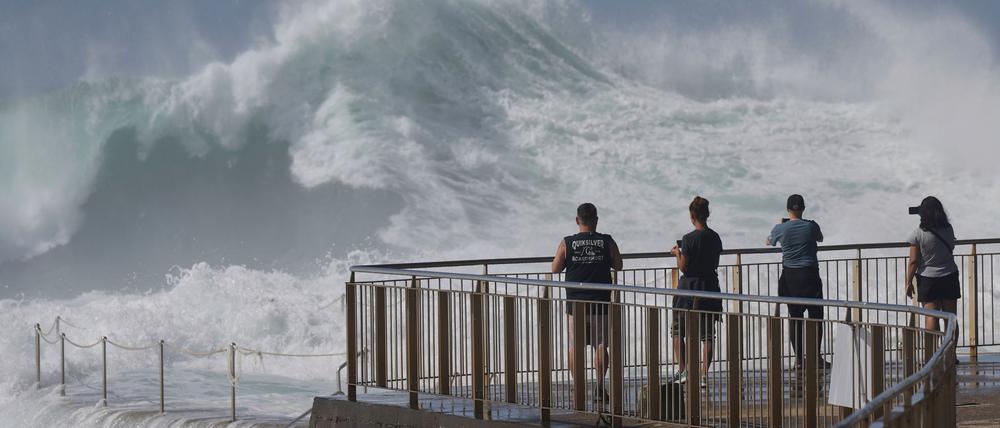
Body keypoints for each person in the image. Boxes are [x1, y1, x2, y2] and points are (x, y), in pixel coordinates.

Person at [551, 202, 623, 403]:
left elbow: (555, 268)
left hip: (575, 302)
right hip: (600, 301)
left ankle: (579, 386)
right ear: (596, 220)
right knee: (600, 345)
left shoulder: (567, 243)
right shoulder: (607, 241)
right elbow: (619, 265)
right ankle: (599, 387)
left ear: (577, 220)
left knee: (575, 346)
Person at [766, 194, 827, 368]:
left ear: (787, 210)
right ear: (803, 209)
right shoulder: (811, 226)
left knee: (795, 318)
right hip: (810, 276)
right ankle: (816, 357)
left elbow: (769, 242)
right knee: (816, 317)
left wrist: (781, 227)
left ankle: (799, 359)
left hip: (790, 278)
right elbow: (820, 238)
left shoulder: (780, 228)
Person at [669, 196, 723, 388]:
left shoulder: (688, 238)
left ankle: (684, 371)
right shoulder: (715, 237)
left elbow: (684, 267)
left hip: (689, 288)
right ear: (707, 214)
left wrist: (677, 253)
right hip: (710, 286)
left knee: (678, 330)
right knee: (707, 335)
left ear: (692, 216)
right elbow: (715, 262)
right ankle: (703, 375)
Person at [905, 196, 960, 332]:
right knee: (951, 318)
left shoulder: (918, 234)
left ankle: (933, 345)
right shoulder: (948, 229)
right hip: (949, 275)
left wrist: (908, 282)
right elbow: (951, 247)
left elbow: (913, 261)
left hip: (927, 279)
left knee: (931, 317)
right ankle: (951, 346)